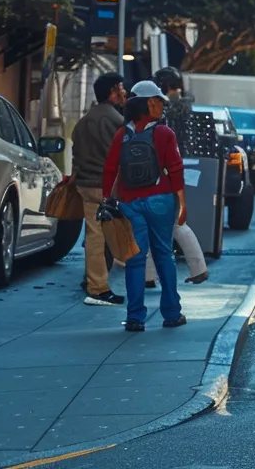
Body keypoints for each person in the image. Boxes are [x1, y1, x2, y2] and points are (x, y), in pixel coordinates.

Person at [103, 81, 188, 332]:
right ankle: (172, 313)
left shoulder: (122, 134)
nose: (162, 106)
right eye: (159, 101)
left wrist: (106, 197)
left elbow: (110, 169)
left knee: (135, 259)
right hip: (161, 200)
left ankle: (135, 317)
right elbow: (175, 169)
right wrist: (183, 203)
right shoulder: (165, 134)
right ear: (149, 103)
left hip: (130, 203)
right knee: (164, 255)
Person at [147, 67, 209, 285]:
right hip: (178, 168)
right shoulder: (184, 106)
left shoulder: (167, 110)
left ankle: (150, 275)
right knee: (170, 223)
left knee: (159, 223)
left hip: (163, 170)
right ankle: (195, 268)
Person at [72, 73, 127, 306]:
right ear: (113, 92)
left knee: (95, 234)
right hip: (106, 186)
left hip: (85, 184)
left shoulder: (84, 120)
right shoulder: (116, 120)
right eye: (121, 88)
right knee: (102, 236)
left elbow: (77, 155)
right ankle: (98, 288)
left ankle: (93, 279)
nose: (124, 92)